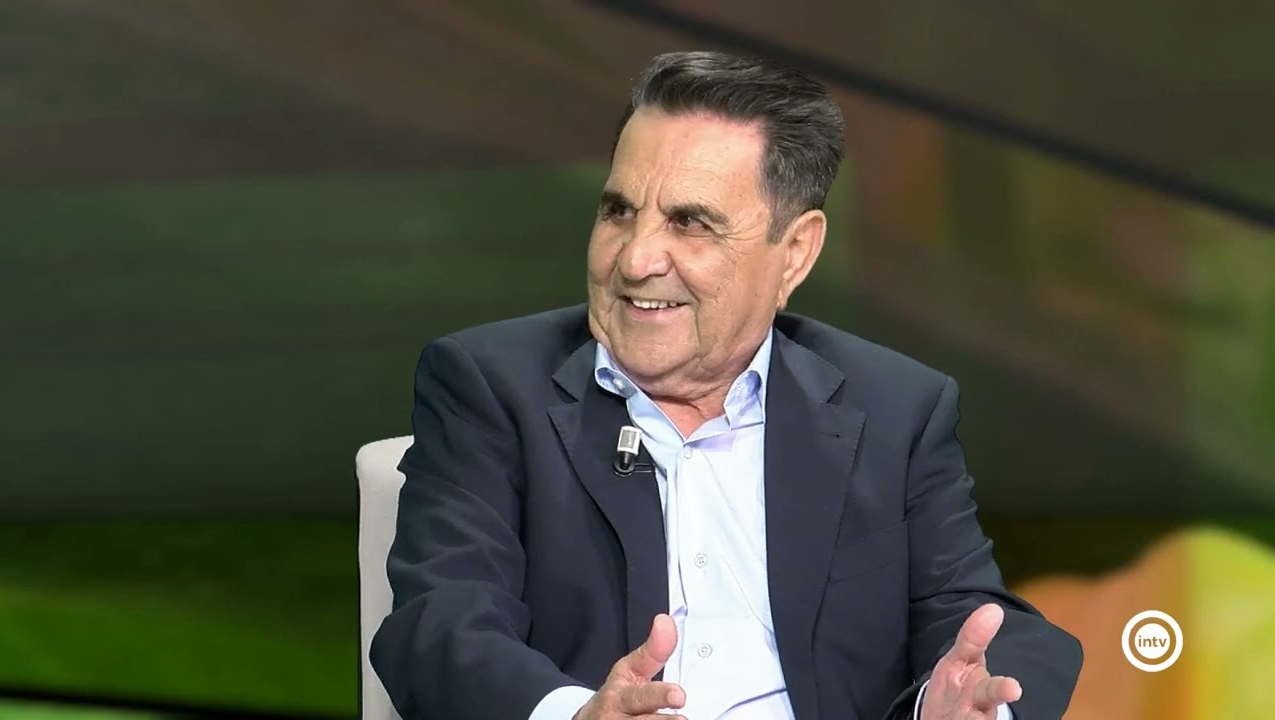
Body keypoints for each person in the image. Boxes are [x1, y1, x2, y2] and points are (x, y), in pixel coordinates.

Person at [370, 50, 1082, 720]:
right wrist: (575, 713)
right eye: (619, 211)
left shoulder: (894, 408)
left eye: (691, 223)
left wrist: (966, 705)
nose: (637, 259)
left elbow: (972, 621)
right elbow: (439, 626)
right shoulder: (489, 387)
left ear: (795, 252)